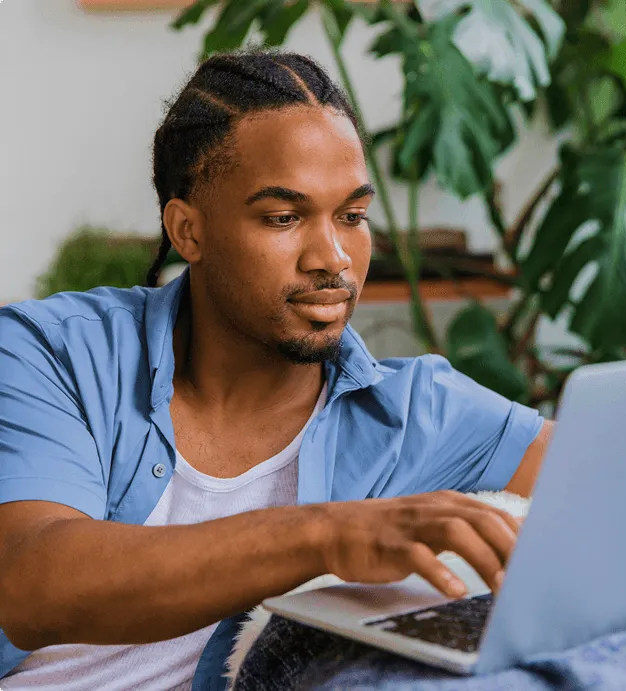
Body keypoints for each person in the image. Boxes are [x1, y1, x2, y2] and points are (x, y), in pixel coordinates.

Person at [0, 50, 553, 690]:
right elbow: (31, 582)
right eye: (283, 218)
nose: (333, 257)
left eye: (353, 216)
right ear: (188, 230)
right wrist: (327, 535)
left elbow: (623, 486)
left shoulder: (418, 412)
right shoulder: (51, 352)